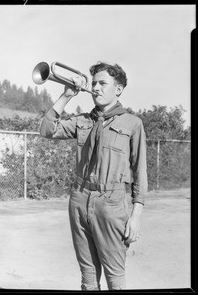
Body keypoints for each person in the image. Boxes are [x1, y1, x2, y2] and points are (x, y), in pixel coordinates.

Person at [39, 61, 148, 291]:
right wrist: (67, 95)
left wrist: (136, 213)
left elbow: (140, 171)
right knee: (88, 278)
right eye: (94, 83)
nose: (95, 88)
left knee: (115, 278)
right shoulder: (83, 120)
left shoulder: (132, 123)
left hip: (111, 203)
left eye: (102, 83)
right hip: (79, 199)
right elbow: (47, 130)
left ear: (118, 89)